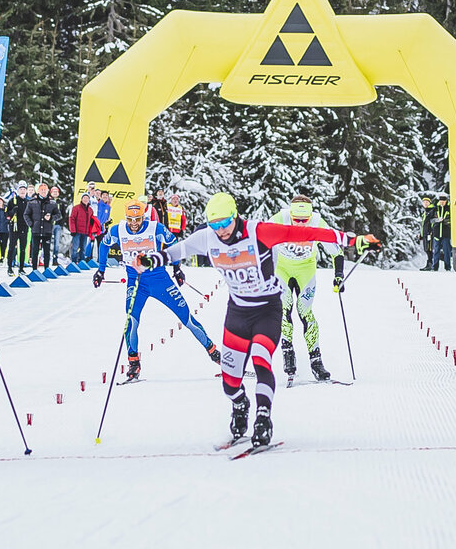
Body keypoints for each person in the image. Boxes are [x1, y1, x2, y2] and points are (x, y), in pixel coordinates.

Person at [134, 192, 381, 448]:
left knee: (262, 361)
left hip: (267, 310)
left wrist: (354, 240)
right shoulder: (208, 236)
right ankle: (240, 406)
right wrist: (151, 260)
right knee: (230, 383)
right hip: (237, 314)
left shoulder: (259, 231)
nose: (220, 230)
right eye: (214, 224)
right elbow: (177, 251)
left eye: (224, 223)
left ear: (235, 216)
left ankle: (263, 418)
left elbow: (307, 234)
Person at [94, 199, 219, 382]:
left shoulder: (156, 228)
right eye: (130, 219)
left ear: (143, 216)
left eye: (137, 219)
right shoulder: (117, 230)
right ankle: (133, 363)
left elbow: (173, 243)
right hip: (136, 282)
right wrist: (101, 270)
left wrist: (176, 268)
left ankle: (215, 353)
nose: (134, 223)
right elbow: (104, 245)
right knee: (131, 321)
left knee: (187, 318)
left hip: (160, 280)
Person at [270, 194, 374, 382]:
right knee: (283, 310)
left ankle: (316, 361)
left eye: (305, 220)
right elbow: (259, 241)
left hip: (305, 271)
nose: (301, 224)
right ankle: (288, 353)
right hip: (282, 270)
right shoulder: (279, 219)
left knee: (305, 312)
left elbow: (336, 252)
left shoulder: (318, 222)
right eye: (297, 220)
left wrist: (339, 276)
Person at [24, 182, 59, 271]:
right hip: (36, 230)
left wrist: (51, 218)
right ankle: (34, 269)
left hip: (47, 231)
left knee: (46, 251)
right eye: (41, 190)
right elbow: (26, 214)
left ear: (48, 191)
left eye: (45, 190)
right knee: (35, 251)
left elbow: (59, 215)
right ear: (38, 191)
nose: (43, 192)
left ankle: (47, 269)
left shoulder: (52, 203)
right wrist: (31, 224)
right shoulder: (32, 202)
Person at [6, 181, 30, 275]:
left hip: (24, 227)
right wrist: (12, 211)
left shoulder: (28, 202)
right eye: (21, 189)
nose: (22, 191)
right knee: (12, 247)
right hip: (14, 227)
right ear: (18, 190)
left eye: (24, 189)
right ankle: (9, 267)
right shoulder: (13, 201)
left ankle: (21, 268)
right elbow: (7, 215)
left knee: (23, 248)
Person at [69, 193, 94, 264]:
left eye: (87, 198)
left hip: (85, 232)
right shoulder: (76, 208)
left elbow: (91, 221)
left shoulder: (90, 210)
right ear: (82, 199)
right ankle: (73, 262)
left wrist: (91, 231)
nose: (85, 199)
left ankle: (81, 262)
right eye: (84, 198)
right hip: (77, 231)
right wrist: (73, 230)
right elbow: (72, 219)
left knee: (83, 248)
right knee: (75, 248)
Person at [432, 193, 451, 271]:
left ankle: (448, 267)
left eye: (443, 201)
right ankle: (435, 267)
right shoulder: (435, 209)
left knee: (447, 251)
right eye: (440, 201)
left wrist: (444, 221)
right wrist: (437, 220)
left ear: (446, 201)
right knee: (436, 251)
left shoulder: (449, 209)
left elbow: (452, 220)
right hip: (436, 233)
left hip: (446, 233)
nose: (442, 202)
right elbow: (431, 220)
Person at [49, 185, 65, 266]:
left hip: (57, 225)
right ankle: (46, 258)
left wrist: (61, 223)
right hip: (49, 225)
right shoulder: (48, 201)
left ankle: (55, 259)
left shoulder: (61, 202)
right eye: (53, 192)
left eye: (56, 192)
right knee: (47, 241)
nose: (55, 193)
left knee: (57, 243)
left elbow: (63, 214)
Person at [418, 195, 435, 271]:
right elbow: (423, 224)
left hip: (429, 233)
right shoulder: (425, 212)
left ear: (429, 203)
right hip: (425, 233)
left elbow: (433, 221)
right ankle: (429, 263)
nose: (425, 203)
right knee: (426, 249)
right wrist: (421, 234)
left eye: (427, 202)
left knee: (429, 248)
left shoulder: (432, 210)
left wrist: (431, 231)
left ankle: (431, 264)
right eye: (424, 202)